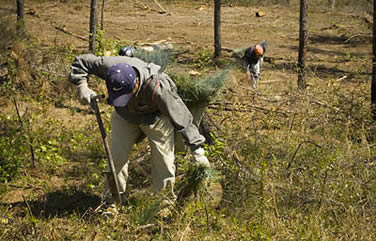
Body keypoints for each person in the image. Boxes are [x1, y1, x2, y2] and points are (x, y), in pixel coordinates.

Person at [68, 54, 210, 206]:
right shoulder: (109, 67)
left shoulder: (159, 87)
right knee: (116, 158)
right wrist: (81, 85)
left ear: (136, 83)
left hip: (155, 118)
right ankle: (112, 202)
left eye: (127, 95)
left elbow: (181, 117)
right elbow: (81, 61)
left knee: (164, 162)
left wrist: (197, 149)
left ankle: (163, 204)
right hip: (125, 115)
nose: (126, 98)